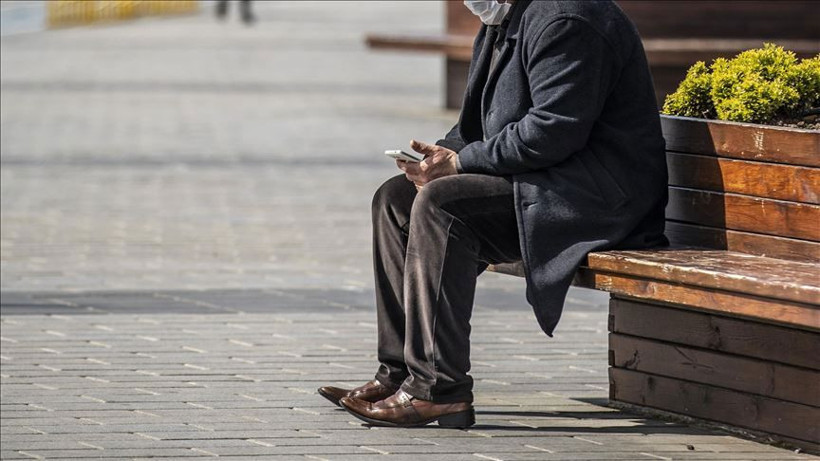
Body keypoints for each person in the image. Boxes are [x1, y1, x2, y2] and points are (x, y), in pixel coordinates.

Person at [318, 0, 668, 428]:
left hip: (595, 198)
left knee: (443, 204)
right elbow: (474, 128)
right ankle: (400, 372)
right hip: (546, 181)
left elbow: (553, 131)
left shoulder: (567, 20)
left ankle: (438, 390)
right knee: (396, 199)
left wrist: (460, 166)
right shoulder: (506, 19)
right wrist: (438, 159)